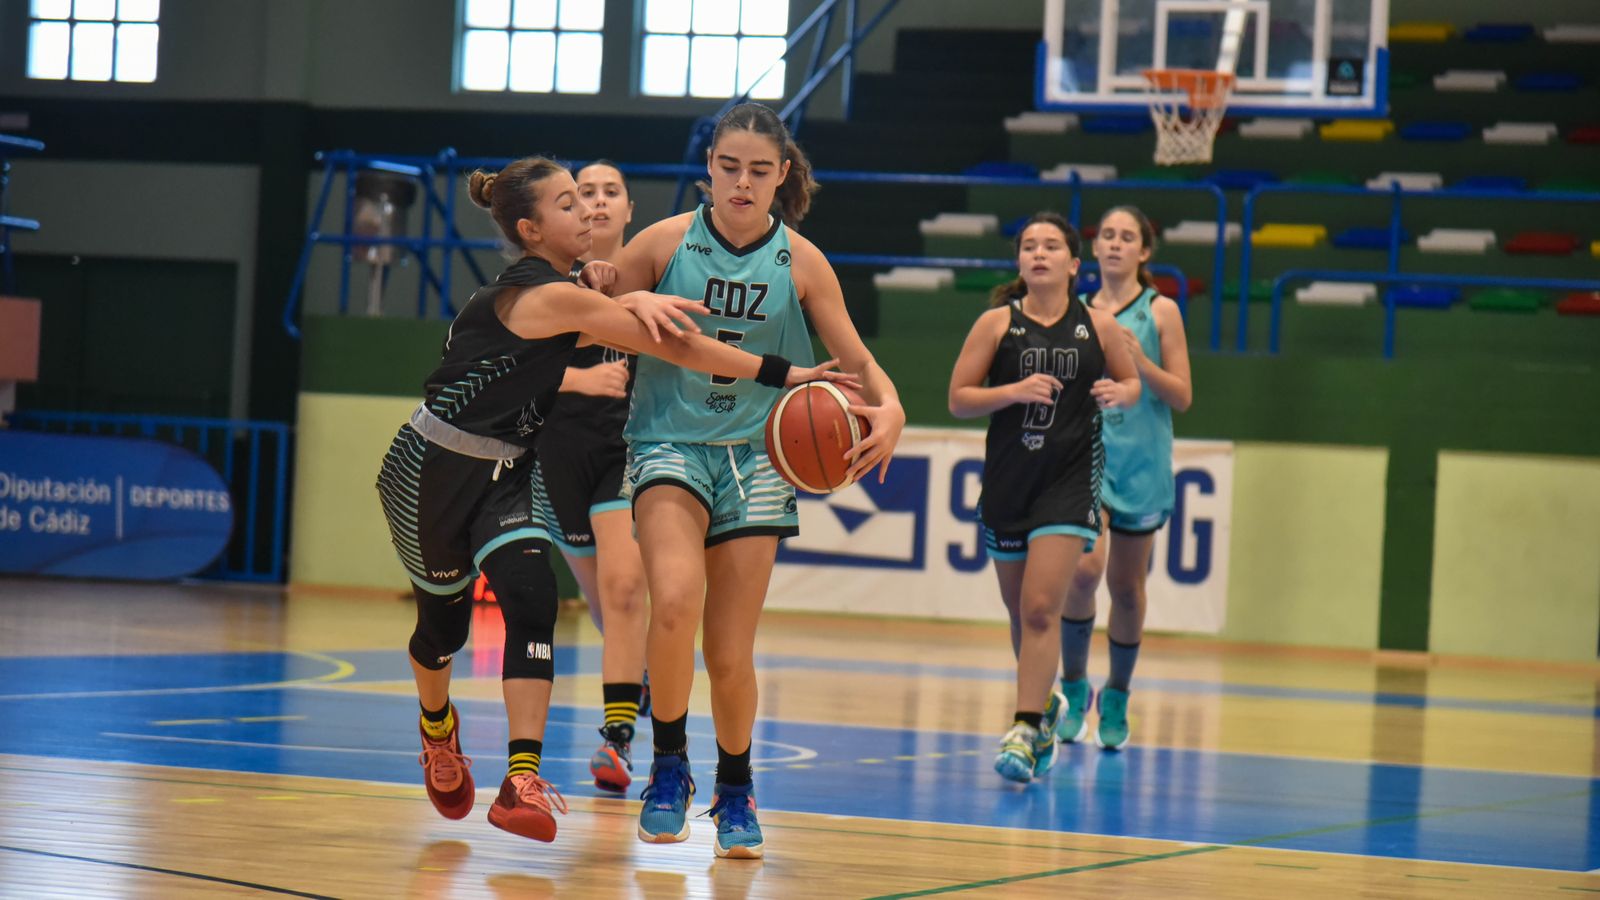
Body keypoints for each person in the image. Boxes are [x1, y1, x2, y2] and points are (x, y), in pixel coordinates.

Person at [374, 155, 855, 845]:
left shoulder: (570, 286)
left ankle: (521, 780)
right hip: (430, 471)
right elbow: (681, 348)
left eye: (591, 199)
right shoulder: (540, 295)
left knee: (534, 595)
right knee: (441, 634)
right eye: (570, 205)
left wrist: (627, 298)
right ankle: (436, 725)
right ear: (531, 229)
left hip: (508, 471)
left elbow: (623, 318)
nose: (589, 213)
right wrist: (786, 372)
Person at [600, 102, 905, 858]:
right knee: (671, 601)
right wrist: (622, 296)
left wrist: (892, 405)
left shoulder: (801, 261)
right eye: (728, 167)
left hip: (759, 457)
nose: (741, 182)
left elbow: (858, 362)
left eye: (758, 171)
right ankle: (669, 768)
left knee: (729, 652)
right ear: (708, 168)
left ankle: (736, 785)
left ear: (782, 177)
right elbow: (581, 317)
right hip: (668, 444)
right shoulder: (663, 242)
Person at [946, 211, 1140, 783]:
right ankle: (1047, 705)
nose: (1039, 253)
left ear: (1073, 264)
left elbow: (1130, 381)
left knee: (1039, 608)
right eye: (1029, 245)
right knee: (1019, 612)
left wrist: (1119, 391)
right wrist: (1014, 390)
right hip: (1009, 483)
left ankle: (1026, 728)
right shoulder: (994, 325)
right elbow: (959, 398)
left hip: (1070, 482)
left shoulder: (1099, 327)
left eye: (1051, 246)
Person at [529, 159, 650, 793]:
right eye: (584, 195)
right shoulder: (543, 281)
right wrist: (577, 375)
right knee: (603, 605)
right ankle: (641, 681)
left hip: (627, 448)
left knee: (627, 589)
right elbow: (508, 370)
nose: (598, 203)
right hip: (557, 453)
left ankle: (617, 740)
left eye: (611, 192)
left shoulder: (654, 273)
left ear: (630, 210)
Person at [1055, 205, 1192, 751]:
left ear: (1144, 251)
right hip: (1087, 459)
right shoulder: (1075, 311)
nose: (1114, 243)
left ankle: (1117, 694)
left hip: (1143, 462)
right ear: (1093, 249)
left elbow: (1182, 395)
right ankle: (1071, 686)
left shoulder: (1161, 312)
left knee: (1127, 589)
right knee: (1084, 570)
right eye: (1106, 234)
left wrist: (1139, 364)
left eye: (1126, 236)